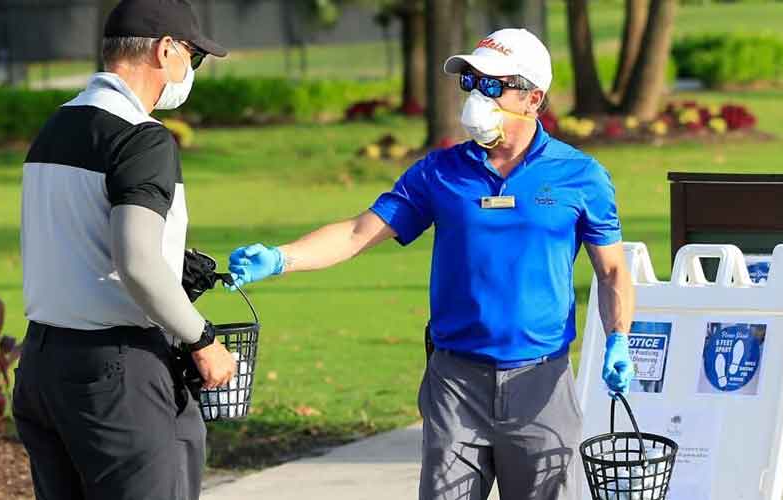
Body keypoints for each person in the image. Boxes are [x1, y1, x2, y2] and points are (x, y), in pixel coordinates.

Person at [228, 28, 636, 500]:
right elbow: (360, 232)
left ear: (533, 97)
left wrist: (618, 338)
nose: (475, 96)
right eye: (469, 83)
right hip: (456, 383)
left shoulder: (580, 176)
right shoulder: (438, 173)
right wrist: (282, 258)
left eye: (491, 84)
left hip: (541, 383)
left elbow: (612, 272)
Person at [12, 1, 236, 499]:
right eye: (193, 58)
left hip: (43, 364)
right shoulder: (141, 139)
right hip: (116, 372)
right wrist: (202, 340)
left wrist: (171, 268)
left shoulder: (56, 127)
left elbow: (79, 238)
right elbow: (135, 261)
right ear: (166, 50)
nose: (190, 71)